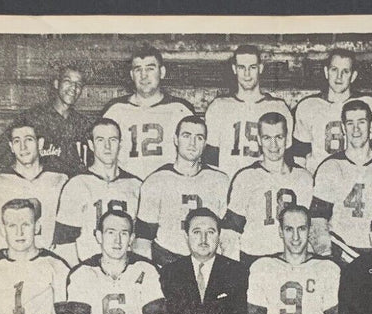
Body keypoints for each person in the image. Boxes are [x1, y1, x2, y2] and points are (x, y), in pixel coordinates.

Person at [309, 100, 372, 257]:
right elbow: (318, 220)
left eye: (362, 122)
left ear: (371, 126)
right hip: (340, 253)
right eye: (350, 123)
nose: (356, 129)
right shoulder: (330, 166)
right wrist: (327, 255)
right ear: (344, 128)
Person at [133, 116, 230, 266]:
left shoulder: (220, 181)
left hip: (207, 263)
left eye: (199, 138)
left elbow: (227, 237)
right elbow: (143, 239)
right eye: (186, 136)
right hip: (166, 261)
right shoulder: (156, 181)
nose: (192, 143)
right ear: (176, 140)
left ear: (205, 144)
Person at [222, 111, 314, 267]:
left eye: (279, 137)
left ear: (288, 139)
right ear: (258, 139)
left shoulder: (304, 178)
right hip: (254, 258)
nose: (273, 145)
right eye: (267, 138)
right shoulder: (246, 177)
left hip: (292, 260)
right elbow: (231, 232)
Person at [0, 120, 70, 261]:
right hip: (6, 266)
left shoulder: (60, 180)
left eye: (28, 140)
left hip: (45, 265)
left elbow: (68, 234)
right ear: (11, 146)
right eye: (17, 141)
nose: (23, 147)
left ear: (40, 144)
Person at [53, 117, 143, 265]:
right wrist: (79, 274)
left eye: (113, 140)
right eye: (100, 140)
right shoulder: (77, 184)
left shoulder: (136, 186)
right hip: (88, 271)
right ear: (91, 145)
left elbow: (141, 241)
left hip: (125, 272)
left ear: (120, 144)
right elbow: (64, 243)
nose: (107, 146)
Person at [102, 44, 195, 180]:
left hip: (168, 187)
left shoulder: (180, 109)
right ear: (131, 75)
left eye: (150, 69)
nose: (143, 76)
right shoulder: (115, 110)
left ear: (162, 72)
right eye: (138, 69)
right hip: (127, 188)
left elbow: (193, 157)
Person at [203, 45, 294, 179]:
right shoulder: (219, 107)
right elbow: (210, 159)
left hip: (266, 186)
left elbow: (287, 157)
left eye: (252, 67)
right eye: (241, 68)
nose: (247, 74)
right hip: (230, 184)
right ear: (234, 69)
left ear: (260, 68)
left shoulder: (278, 107)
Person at [292, 48, 372, 172]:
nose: (339, 77)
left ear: (353, 76)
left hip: (357, 176)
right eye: (334, 70)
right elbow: (299, 156)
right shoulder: (308, 105)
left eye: (345, 71)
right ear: (326, 72)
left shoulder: (368, 103)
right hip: (319, 179)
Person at [0, 64, 90, 176]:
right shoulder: (31, 118)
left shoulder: (83, 124)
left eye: (78, 84)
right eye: (68, 81)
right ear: (56, 84)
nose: (73, 88)